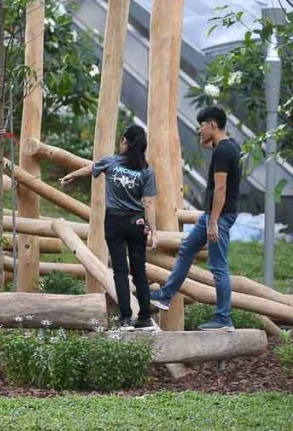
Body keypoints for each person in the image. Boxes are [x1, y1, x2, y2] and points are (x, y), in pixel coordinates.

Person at [149, 106, 242, 331]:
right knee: (188, 249)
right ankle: (166, 294)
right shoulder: (230, 147)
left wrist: (213, 222)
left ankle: (223, 318)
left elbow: (221, 189)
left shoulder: (222, 152)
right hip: (212, 215)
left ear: (212, 124)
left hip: (218, 217)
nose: (199, 130)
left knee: (218, 266)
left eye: (201, 126)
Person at [61, 125, 158, 330]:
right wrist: (153, 231)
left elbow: (91, 168)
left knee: (120, 271)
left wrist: (72, 175)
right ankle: (146, 318)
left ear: (124, 141)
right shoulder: (146, 171)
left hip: (115, 221)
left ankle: (125, 318)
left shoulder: (111, 161)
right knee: (140, 271)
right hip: (137, 223)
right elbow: (149, 203)